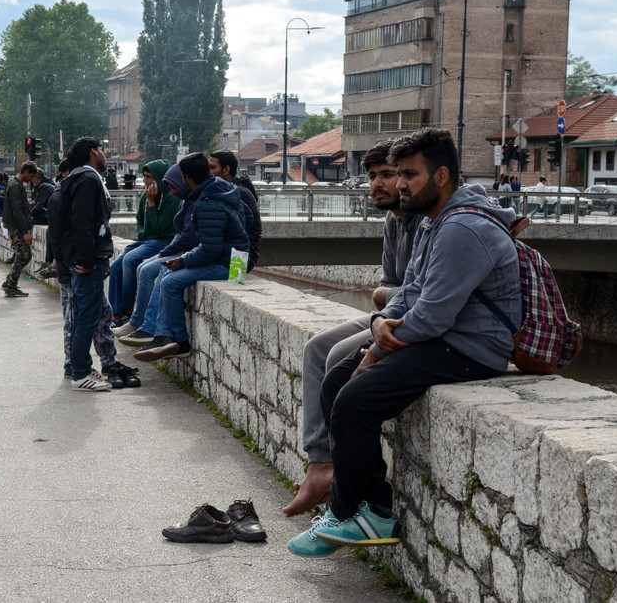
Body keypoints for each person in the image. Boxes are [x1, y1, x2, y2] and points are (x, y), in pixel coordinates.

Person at [287, 127, 521, 557]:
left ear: (442, 175)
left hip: (472, 349)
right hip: (445, 337)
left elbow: (433, 314)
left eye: (410, 175)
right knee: (338, 379)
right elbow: (409, 291)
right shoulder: (437, 222)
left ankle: (371, 513)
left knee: (356, 400)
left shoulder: (463, 228)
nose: (399, 185)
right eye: (399, 175)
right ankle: (346, 511)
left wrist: (376, 349)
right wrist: (380, 323)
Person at [283, 139, 424, 518]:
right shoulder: (394, 222)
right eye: (373, 176)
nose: (377, 184)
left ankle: (343, 474)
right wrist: (386, 296)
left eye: (388, 175)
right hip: (396, 312)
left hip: (413, 319)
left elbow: (405, 292)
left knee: (336, 358)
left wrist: (386, 296)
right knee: (316, 348)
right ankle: (321, 463)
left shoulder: (426, 223)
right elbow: (392, 285)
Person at [133, 153, 251, 362]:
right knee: (166, 271)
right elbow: (247, 219)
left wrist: (184, 260)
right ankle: (163, 335)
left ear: (187, 177)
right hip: (236, 258)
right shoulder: (223, 191)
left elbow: (210, 250)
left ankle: (180, 342)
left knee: (170, 282)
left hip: (232, 265)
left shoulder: (207, 202)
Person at [48, 160, 141, 389]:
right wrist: (70, 266)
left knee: (101, 314)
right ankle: (75, 367)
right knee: (77, 319)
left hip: (82, 265)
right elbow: (61, 238)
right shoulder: (61, 197)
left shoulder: (68, 194)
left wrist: (99, 259)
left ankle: (106, 361)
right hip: (73, 269)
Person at [114, 164, 195, 346]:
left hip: (205, 255)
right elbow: (144, 227)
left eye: (150, 177)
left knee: (157, 274)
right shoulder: (186, 200)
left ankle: (156, 330)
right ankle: (139, 322)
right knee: (134, 267)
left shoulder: (178, 200)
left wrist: (184, 257)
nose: (147, 182)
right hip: (172, 246)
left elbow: (162, 231)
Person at [59, 136, 114, 391]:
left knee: (84, 316)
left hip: (79, 258)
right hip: (85, 261)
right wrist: (88, 259)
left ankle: (80, 368)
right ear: (93, 152)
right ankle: (81, 373)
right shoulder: (89, 179)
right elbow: (83, 222)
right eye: (101, 149)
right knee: (87, 318)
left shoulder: (75, 179)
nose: (104, 154)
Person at [108, 159, 180, 327]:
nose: (147, 181)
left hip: (163, 241)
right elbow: (140, 222)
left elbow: (159, 228)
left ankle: (127, 311)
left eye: (150, 177)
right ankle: (115, 314)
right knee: (116, 266)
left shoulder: (171, 199)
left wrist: (152, 203)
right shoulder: (145, 196)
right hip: (147, 240)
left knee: (130, 260)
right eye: (145, 176)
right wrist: (143, 231)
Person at [208, 150, 262, 271]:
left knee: (174, 280)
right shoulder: (227, 191)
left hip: (241, 258)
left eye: (212, 168)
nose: (208, 172)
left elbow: (239, 236)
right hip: (229, 252)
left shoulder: (237, 193)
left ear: (226, 170)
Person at [1, 163, 36, 297]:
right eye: (31, 176)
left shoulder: (15, 185)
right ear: (25, 172)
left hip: (15, 227)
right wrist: (25, 232)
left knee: (22, 256)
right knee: (23, 256)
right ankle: (10, 286)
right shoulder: (16, 187)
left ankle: (9, 283)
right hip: (17, 228)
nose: (31, 179)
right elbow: (17, 211)